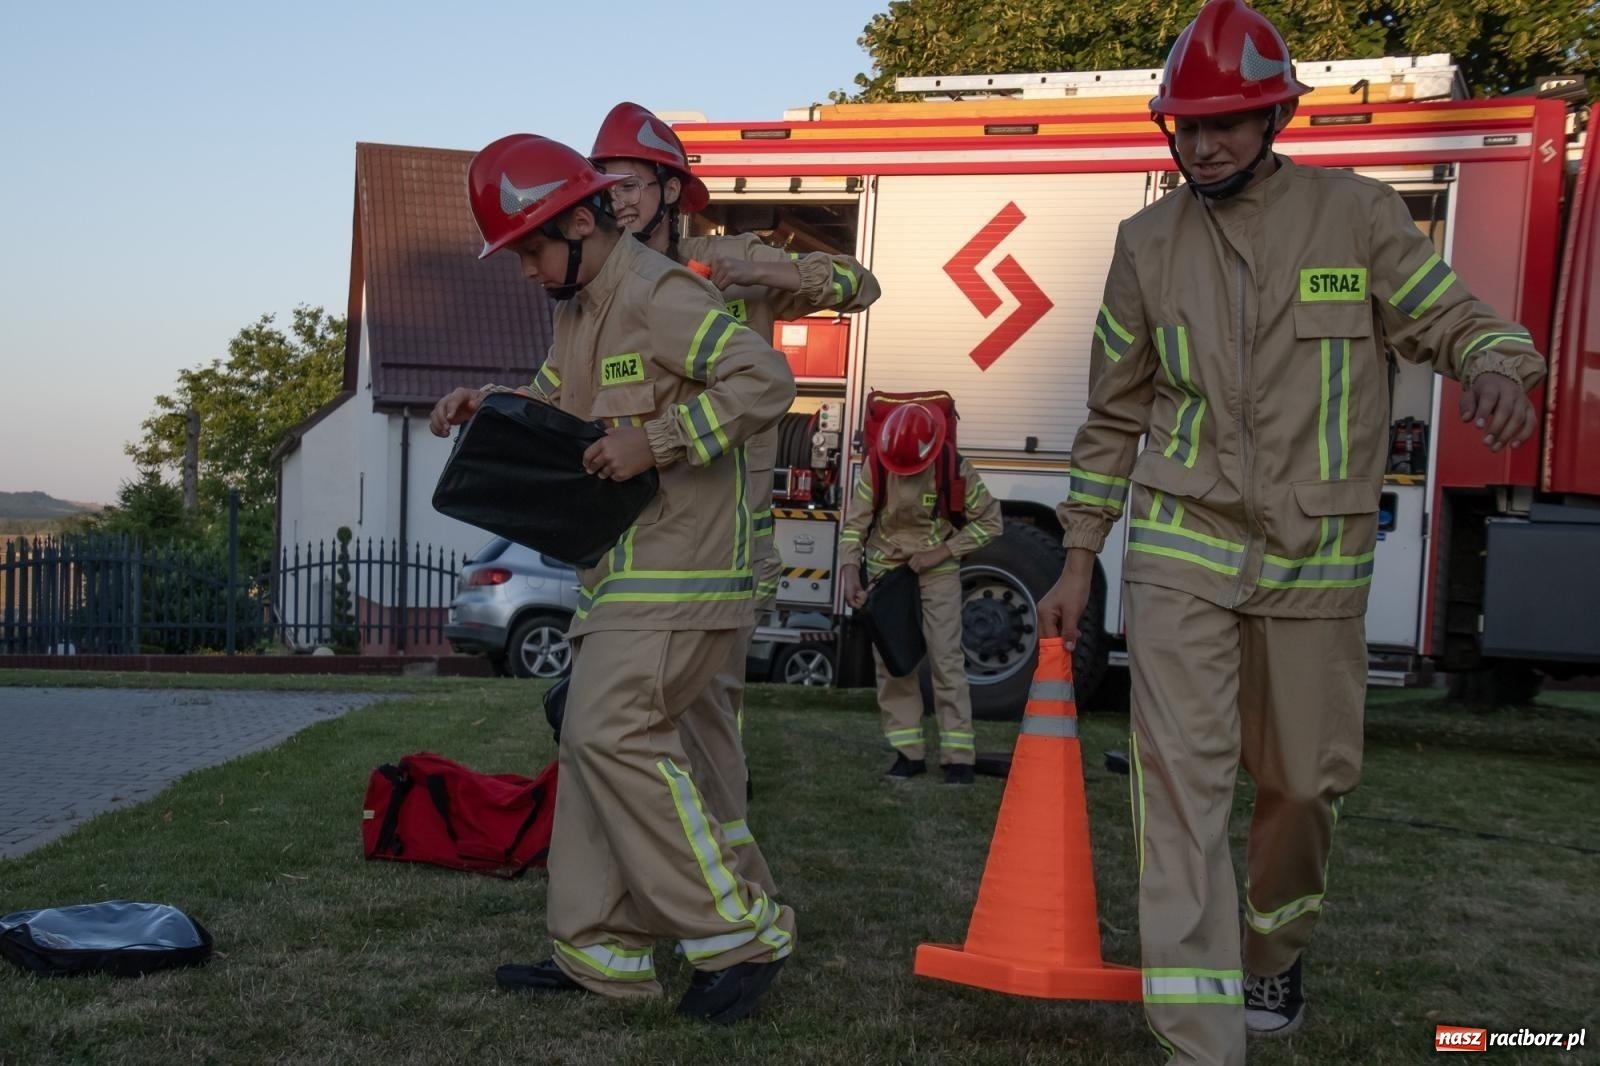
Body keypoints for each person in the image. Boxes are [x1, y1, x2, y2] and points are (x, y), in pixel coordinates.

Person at [1036, 2, 1545, 1061]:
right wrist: (1080, 552)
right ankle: (1198, 1032)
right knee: (1178, 786)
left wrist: (1500, 362)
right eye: (1186, 125)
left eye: (1225, 123)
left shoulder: (1355, 218)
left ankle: (1272, 953)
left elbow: (1449, 317)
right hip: (1182, 548)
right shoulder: (1144, 245)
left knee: (1303, 785)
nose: (1203, 143)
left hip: (1316, 559)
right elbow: (1112, 411)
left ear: (1274, 117)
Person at [429, 133, 797, 1024]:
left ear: (581, 221)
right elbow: (560, 407)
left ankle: (738, 936)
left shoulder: (659, 291)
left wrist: (659, 440)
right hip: (620, 577)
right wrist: (491, 406)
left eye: (527, 248)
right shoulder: (579, 303)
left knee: (607, 732)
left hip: (681, 576)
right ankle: (601, 952)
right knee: (588, 753)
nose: (522, 269)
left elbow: (766, 378)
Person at [590, 101, 881, 888]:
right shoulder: (605, 277)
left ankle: (735, 893)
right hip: (635, 535)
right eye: (603, 185)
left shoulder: (728, 257)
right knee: (634, 724)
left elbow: (863, 284)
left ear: (667, 188)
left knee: (709, 722)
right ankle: (660, 887)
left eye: (627, 184)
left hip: (724, 539)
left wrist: (768, 273)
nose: (614, 200)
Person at [837, 400, 1003, 785]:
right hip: (886, 570)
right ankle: (907, 753)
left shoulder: (954, 467)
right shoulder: (877, 466)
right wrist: (849, 572)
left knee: (947, 659)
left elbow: (991, 523)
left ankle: (958, 758)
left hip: (937, 568)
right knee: (894, 662)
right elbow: (854, 525)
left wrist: (941, 552)